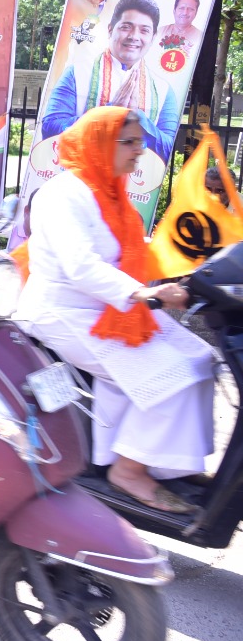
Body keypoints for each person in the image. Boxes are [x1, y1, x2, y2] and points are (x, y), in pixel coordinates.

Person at [16, 107, 213, 514]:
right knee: (169, 375)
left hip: (108, 308)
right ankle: (129, 468)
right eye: (129, 141)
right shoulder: (63, 194)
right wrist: (145, 296)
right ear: (99, 143)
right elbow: (82, 266)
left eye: (140, 141)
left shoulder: (110, 190)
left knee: (201, 358)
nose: (139, 150)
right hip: (64, 312)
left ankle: (163, 460)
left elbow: (134, 248)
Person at [40, 0, 178, 161]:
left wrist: (138, 118)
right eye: (126, 27)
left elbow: (168, 147)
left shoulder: (163, 90)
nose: (134, 36)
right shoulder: (77, 73)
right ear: (110, 29)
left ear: (153, 38)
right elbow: (50, 128)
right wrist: (108, 115)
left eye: (144, 30)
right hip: (80, 177)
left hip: (135, 184)